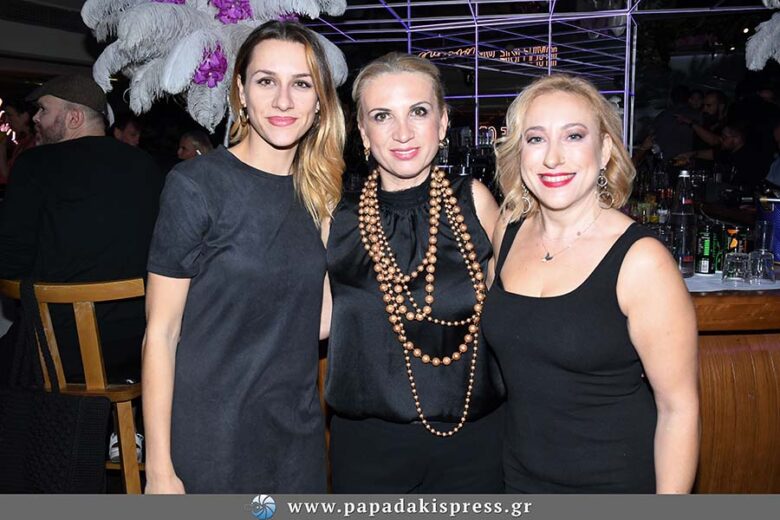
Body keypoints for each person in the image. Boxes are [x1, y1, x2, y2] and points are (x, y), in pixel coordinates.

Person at [142, 21, 345, 494]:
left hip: (295, 435)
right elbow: (161, 334)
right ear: (241, 92)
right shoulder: (196, 187)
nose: (283, 101)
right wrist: (158, 469)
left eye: (301, 84)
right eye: (266, 81)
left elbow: (319, 323)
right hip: (212, 434)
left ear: (320, 103)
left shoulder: (321, 196)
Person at [484, 74, 700, 493]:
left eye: (574, 136)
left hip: (613, 485)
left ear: (604, 151)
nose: (553, 158)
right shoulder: (507, 231)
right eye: (536, 138)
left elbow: (678, 410)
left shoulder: (641, 261)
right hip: (519, 479)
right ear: (518, 151)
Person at [323, 53, 505, 493]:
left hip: (475, 446)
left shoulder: (476, 202)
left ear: (442, 124)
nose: (402, 132)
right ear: (363, 132)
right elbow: (309, 322)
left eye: (418, 112)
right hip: (368, 451)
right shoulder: (337, 220)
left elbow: (517, 313)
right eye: (382, 116)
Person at [0, 74, 163, 385]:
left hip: (60, 351)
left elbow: (11, 261)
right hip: (140, 346)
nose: (35, 118)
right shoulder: (146, 164)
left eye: (44, 110)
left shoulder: (35, 164)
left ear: (74, 118)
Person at [0, 99, 36, 182]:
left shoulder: (35, 144)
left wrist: (1, 147)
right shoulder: (23, 142)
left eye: (10, 115)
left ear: (25, 116)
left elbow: (10, 178)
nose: (7, 121)